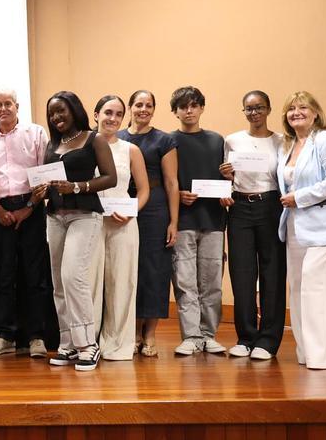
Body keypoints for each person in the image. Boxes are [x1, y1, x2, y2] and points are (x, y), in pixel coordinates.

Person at [31, 92, 116, 371]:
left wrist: (78, 187)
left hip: (85, 215)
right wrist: (41, 191)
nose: (56, 117)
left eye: (61, 111)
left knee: (72, 275)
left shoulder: (94, 139)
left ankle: (88, 345)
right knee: (59, 281)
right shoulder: (52, 144)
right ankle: (67, 343)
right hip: (55, 216)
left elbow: (110, 177)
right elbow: (48, 181)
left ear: (74, 110)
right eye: (52, 113)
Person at [277, 91, 326, 370]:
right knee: (299, 290)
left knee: (317, 288)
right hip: (295, 226)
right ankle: (307, 352)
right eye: (291, 108)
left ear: (315, 113)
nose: (296, 112)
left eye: (303, 107)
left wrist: (299, 197)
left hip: (325, 226)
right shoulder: (287, 146)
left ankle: (321, 355)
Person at [0, 89, 51, 359]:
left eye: (7, 104)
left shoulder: (35, 133)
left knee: (35, 275)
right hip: (1, 210)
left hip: (32, 206)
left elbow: (44, 175)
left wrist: (29, 207)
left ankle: (36, 337)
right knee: (5, 275)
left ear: (17, 106)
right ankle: (5, 335)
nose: (3, 109)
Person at [220, 91, 286, 360]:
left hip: (270, 205)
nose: (254, 113)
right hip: (239, 208)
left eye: (259, 107)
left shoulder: (282, 141)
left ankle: (268, 341)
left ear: (268, 109)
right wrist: (226, 177)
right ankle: (246, 337)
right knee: (242, 273)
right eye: (249, 108)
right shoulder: (232, 140)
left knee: (273, 272)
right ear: (243, 111)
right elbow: (227, 178)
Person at [117, 90, 179, 356]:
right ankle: (132, 331)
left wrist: (174, 221)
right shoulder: (117, 137)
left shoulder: (164, 140)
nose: (144, 109)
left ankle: (150, 333)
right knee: (128, 268)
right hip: (122, 204)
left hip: (155, 209)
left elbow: (172, 182)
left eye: (149, 105)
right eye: (139, 104)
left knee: (154, 270)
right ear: (130, 108)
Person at [169, 86, 228, 356]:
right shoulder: (169, 141)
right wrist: (178, 195)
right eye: (183, 107)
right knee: (185, 282)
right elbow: (167, 181)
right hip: (183, 221)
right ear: (175, 111)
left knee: (212, 281)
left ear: (202, 108)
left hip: (213, 221)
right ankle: (191, 336)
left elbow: (226, 179)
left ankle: (208, 334)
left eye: (194, 105)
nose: (189, 111)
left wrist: (227, 190)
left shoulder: (217, 141)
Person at [92, 95, 149, 361]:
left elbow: (144, 190)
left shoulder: (130, 150)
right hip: (91, 221)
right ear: (96, 115)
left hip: (123, 222)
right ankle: (88, 342)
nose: (112, 118)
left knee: (122, 283)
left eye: (118, 114)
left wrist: (131, 211)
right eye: (107, 112)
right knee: (90, 284)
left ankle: (116, 343)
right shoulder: (85, 146)